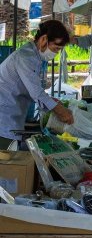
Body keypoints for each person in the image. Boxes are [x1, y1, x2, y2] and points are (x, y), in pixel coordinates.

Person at [0, 20, 74, 148]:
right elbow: (37, 93)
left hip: (13, 115)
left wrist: (53, 102)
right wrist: (60, 110)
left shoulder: (35, 58)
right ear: (44, 39)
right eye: (56, 48)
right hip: (4, 117)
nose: (55, 53)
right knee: (7, 163)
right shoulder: (25, 57)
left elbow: (33, 89)